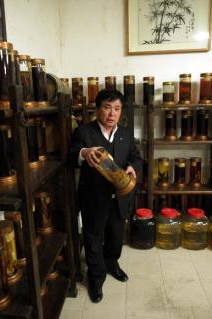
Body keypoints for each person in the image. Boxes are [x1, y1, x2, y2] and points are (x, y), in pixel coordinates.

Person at [68, 89, 142, 303]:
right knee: (93, 238)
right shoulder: (84, 132)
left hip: (119, 197)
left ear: (121, 112)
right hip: (93, 198)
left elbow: (136, 158)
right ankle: (96, 277)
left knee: (116, 236)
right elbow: (72, 157)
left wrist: (132, 168)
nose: (112, 113)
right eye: (107, 107)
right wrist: (83, 153)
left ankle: (112, 264)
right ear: (98, 109)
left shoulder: (126, 133)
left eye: (117, 109)